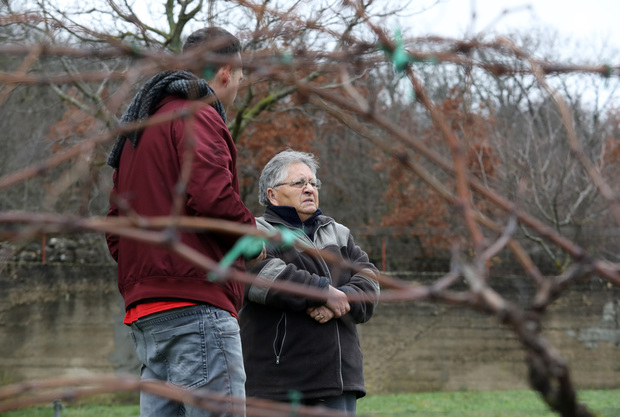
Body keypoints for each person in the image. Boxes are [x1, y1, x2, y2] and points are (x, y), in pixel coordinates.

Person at [106, 27, 259, 417]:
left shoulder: (135, 132)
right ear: (225, 71)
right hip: (198, 309)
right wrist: (252, 238)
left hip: (147, 316)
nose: (239, 85)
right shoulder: (197, 113)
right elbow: (212, 197)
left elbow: (115, 229)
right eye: (241, 76)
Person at [239, 149, 380, 415]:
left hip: (338, 383)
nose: (309, 189)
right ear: (272, 194)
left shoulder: (339, 233)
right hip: (278, 386)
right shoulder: (255, 231)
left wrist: (339, 300)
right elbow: (260, 276)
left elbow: (370, 282)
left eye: (313, 183)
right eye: (299, 183)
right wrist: (322, 292)